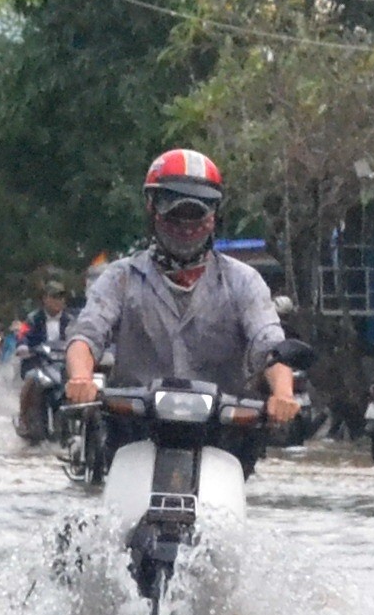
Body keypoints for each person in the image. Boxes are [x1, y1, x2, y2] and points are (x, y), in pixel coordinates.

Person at [64, 147, 300, 427]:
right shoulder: (120, 277)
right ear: (152, 208)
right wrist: (80, 379)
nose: (187, 225)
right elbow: (87, 335)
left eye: (198, 213)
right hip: (132, 429)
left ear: (214, 216)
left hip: (223, 435)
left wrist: (283, 395)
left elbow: (269, 344)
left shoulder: (243, 281)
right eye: (175, 212)